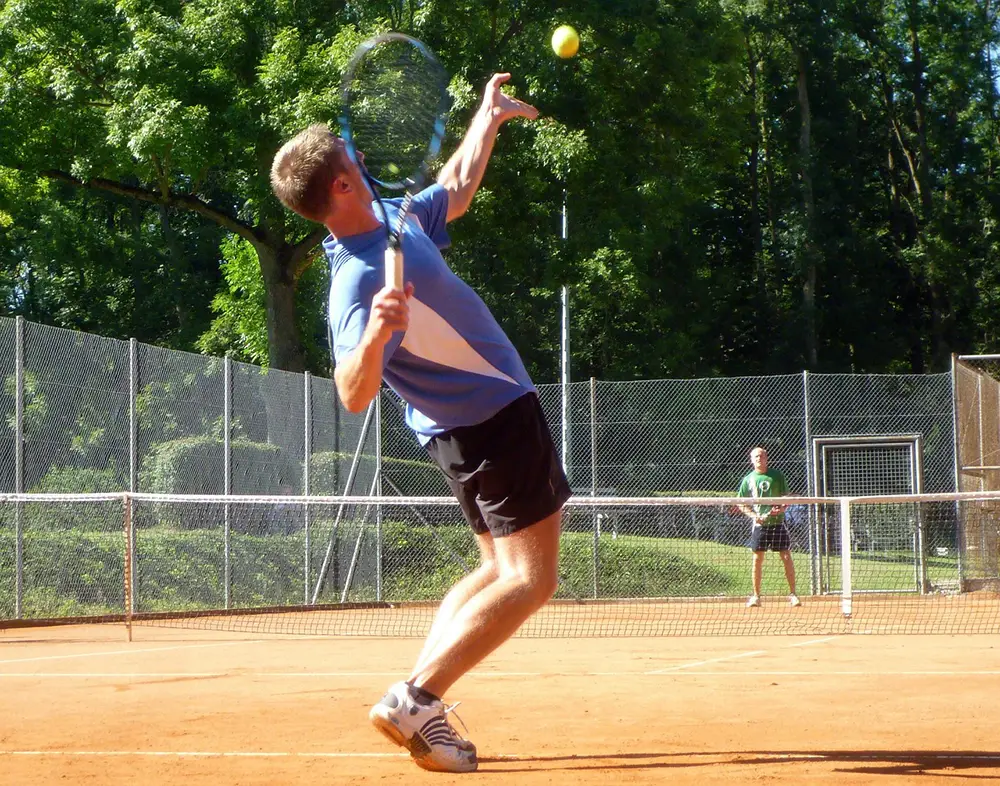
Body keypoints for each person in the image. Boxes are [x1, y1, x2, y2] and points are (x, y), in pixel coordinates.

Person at [270, 74, 568, 774]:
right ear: (339, 188)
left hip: (470, 427)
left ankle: (417, 699)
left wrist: (487, 120)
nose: (359, 155)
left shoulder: (398, 220)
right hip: (490, 421)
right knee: (532, 579)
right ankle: (419, 696)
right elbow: (351, 392)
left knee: (495, 567)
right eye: (349, 155)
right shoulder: (357, 280)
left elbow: (458, 187)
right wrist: (375, 334)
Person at [736, 446, 800, 609]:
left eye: (762, 456)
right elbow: (741, 503)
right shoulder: (747, 480)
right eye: (756, 456)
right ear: (751, 460)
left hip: (778, 524)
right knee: (757, 559)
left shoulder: (777, 476)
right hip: (760, 526)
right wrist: (754, 516)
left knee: (786, 556)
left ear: (767, 458)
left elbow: (787, 496)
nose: (759, 458)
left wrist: (782, 507)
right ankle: (756, 596)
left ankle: (793, 594)